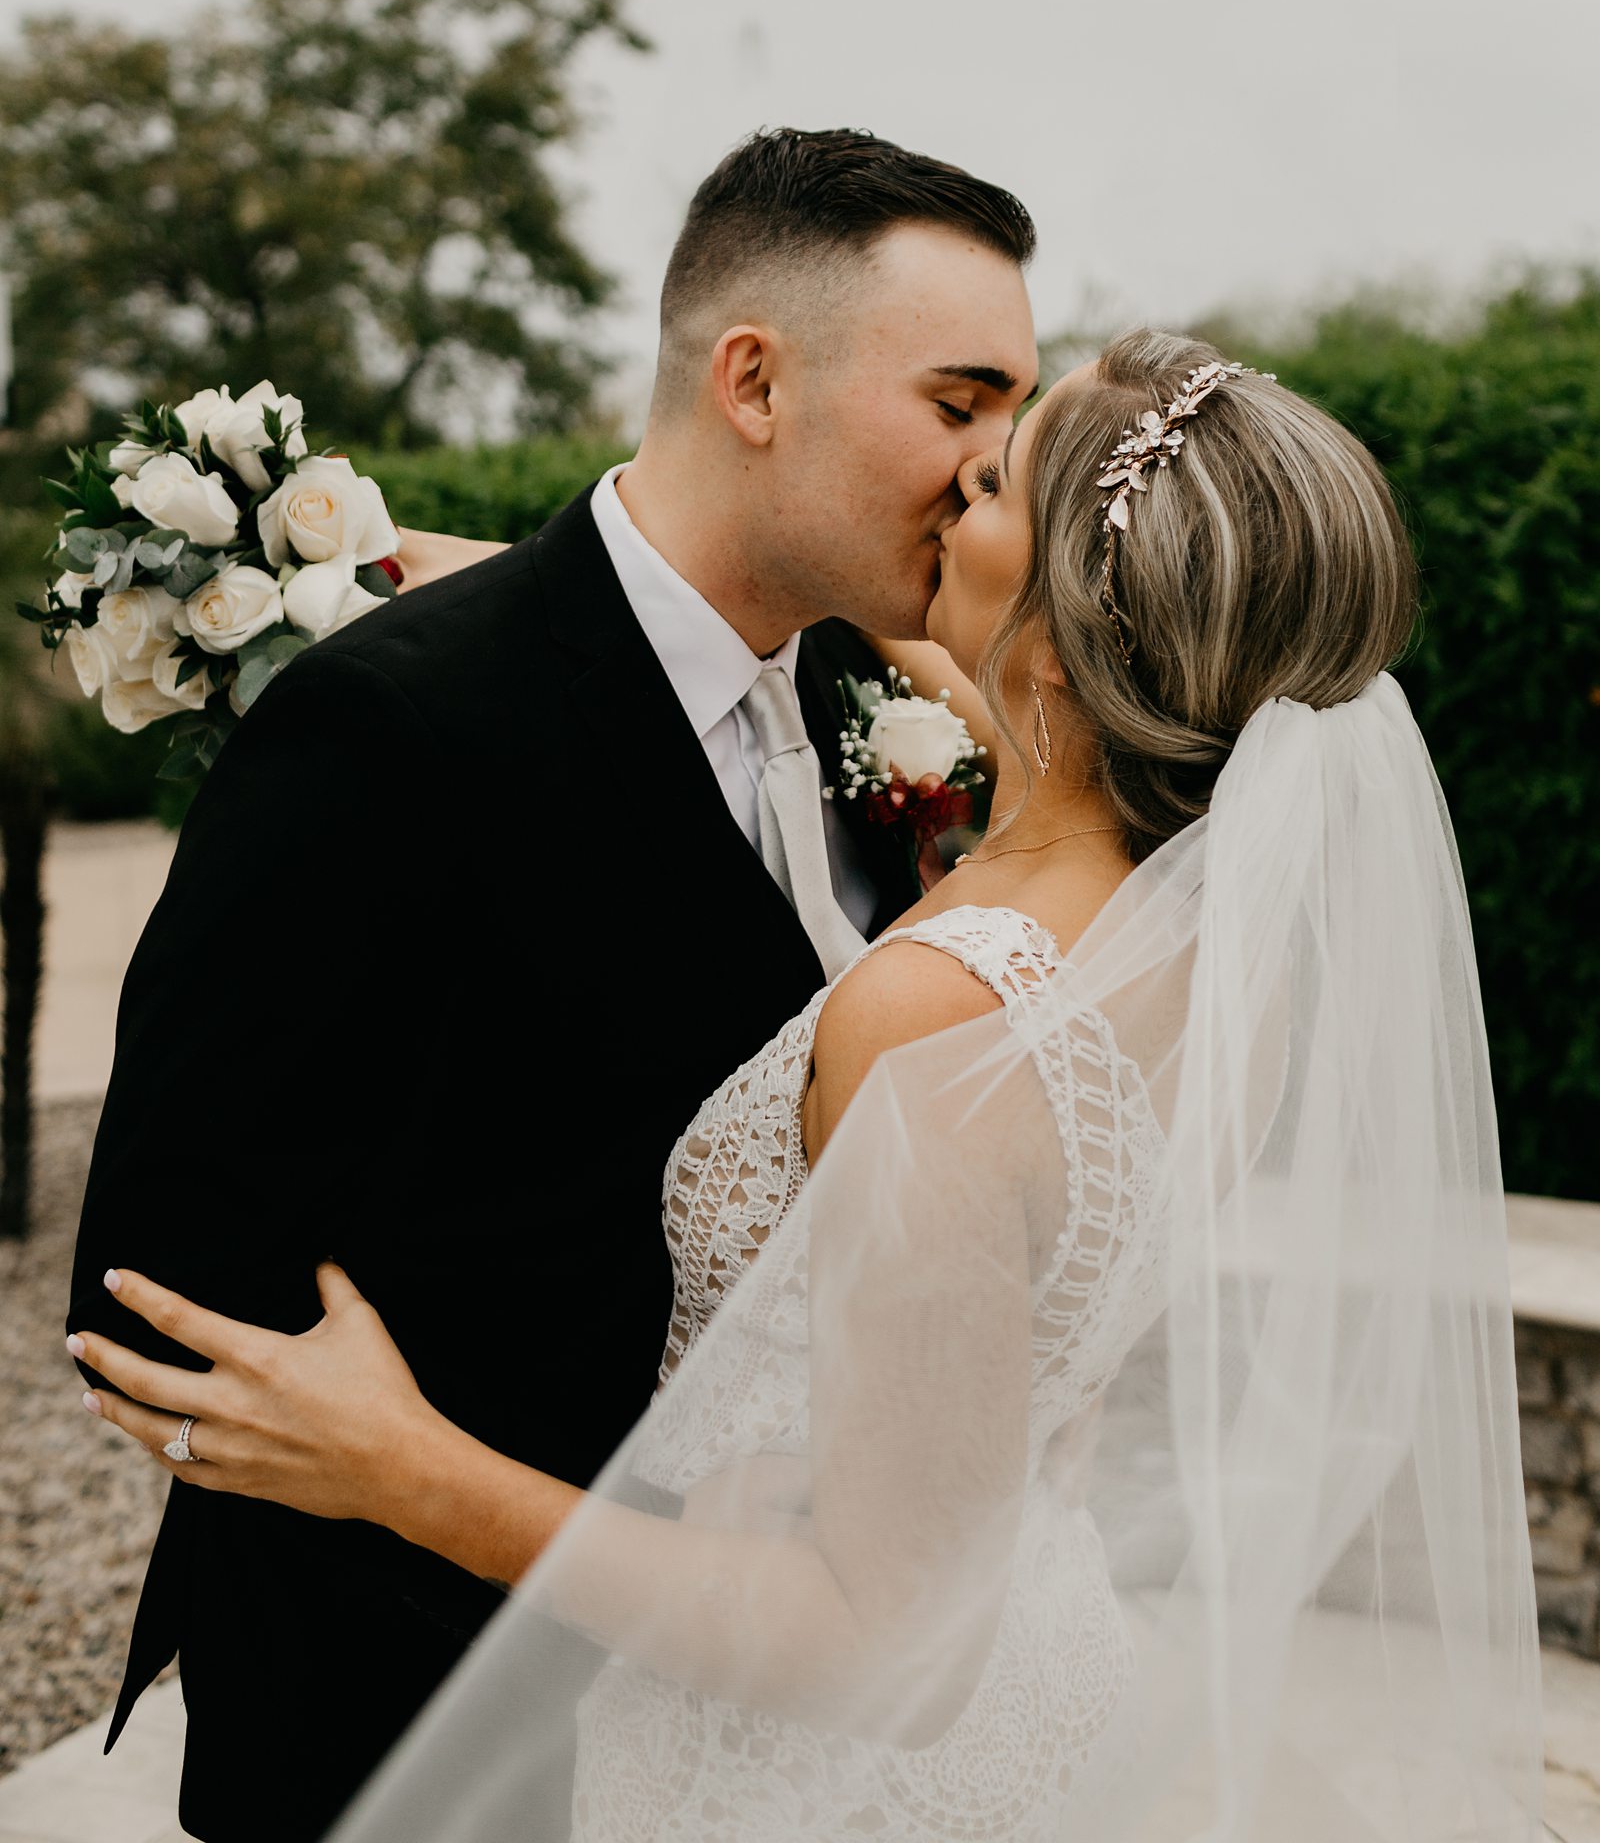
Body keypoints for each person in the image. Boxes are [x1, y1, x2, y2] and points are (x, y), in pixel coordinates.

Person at [75, 332, 1546, 1840]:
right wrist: (519, 579)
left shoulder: (937, 1019)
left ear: (1052, 646)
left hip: (826, 1771)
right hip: (1041, 1651)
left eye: (991, 490)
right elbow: (764, 634)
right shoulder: (1213, 941)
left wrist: (407, 1469)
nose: (944, 507)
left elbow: (886, 1648)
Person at [66, 126, 1039, 1843]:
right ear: (753, 378)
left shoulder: (860, 715)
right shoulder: (393, 726)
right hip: (432, 1738)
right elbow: (166, 1299)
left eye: (1010, 424)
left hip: (748, 1719)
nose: (986, 474)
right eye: (959, 405)